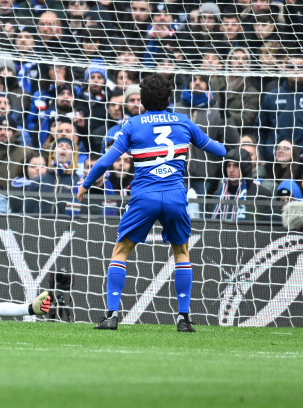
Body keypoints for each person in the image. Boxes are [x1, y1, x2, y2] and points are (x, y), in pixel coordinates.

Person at [77, 73, 227, 333]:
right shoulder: (183, 122)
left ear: (142, 102)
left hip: (144, 196)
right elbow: (220, 151)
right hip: (174, 196)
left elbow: (105, 161)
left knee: (121, 250)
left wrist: (85, 184)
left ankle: (111, 315)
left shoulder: (132, 125)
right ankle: (183, 318)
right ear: (169, 99)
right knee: (181, 252)